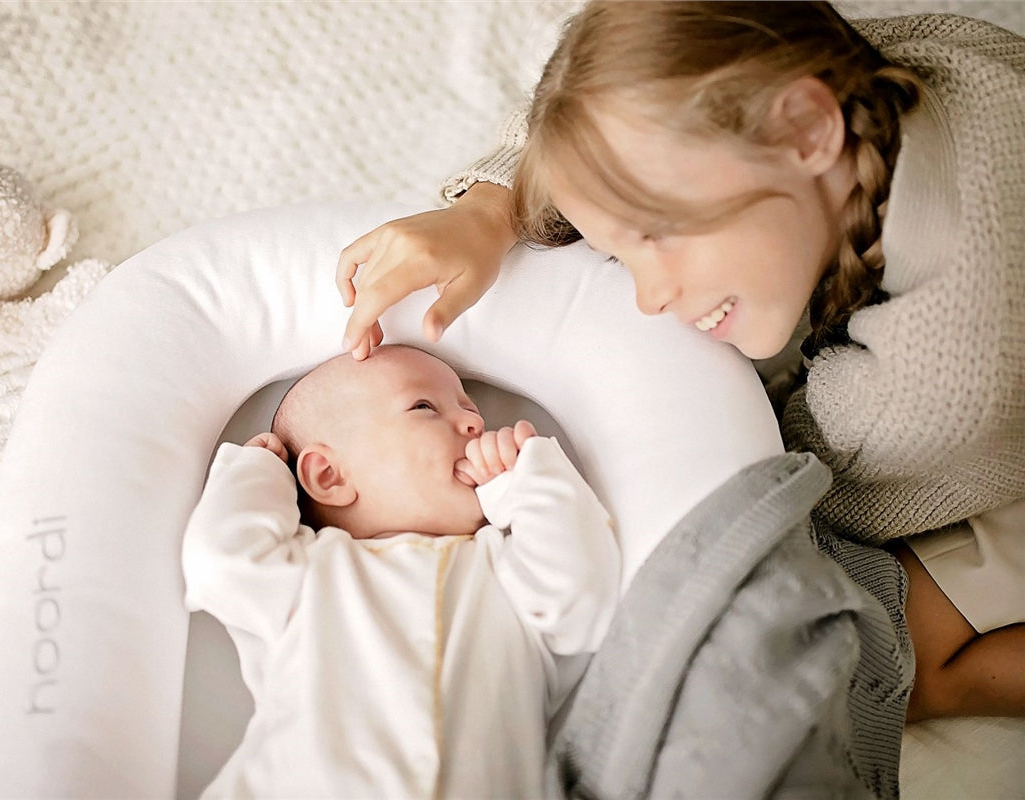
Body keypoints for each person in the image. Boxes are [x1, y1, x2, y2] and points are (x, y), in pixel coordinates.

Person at [334, 2, 1024, 728]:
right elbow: (608, 98)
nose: (648, 297)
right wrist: (488, 208)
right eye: (620, 250)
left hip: (976, 438)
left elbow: (793, 487)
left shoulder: (936, 370)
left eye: (658, 235)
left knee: (864, 658)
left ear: (808, 130)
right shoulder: (836, 79)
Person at [182, 344, 620, 798]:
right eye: (424, 407)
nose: (474, 424)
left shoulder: (506, 570)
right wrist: (259, 471)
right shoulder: (310, 573)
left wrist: (528, 478)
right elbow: (220, 562)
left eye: (473, 411)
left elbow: (584, 601)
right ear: (329, 475)